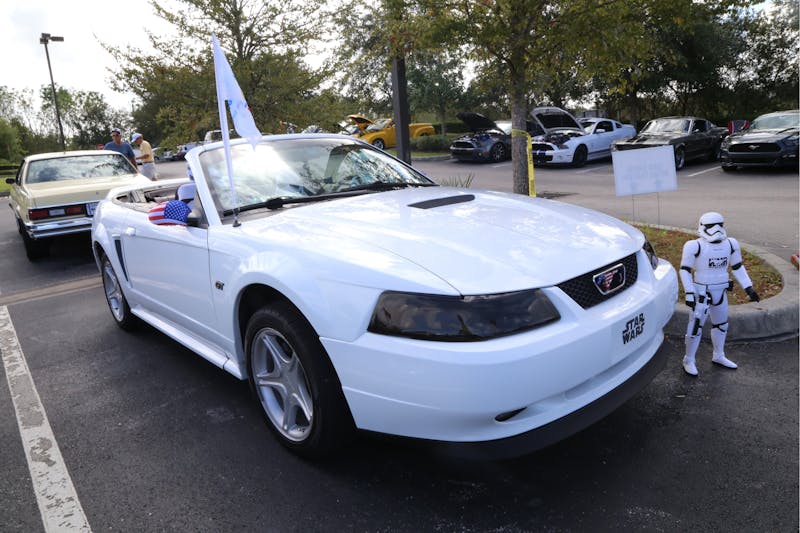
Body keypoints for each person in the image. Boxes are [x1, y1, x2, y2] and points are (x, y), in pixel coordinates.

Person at [679, 212, 760, 376]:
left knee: (721, 325)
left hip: (721, 291)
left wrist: (748, 287)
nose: (716, 229)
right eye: (710, 226)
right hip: (702, 292)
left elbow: (737, 267)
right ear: (702, 227)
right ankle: (689, 359)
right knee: (695, 326)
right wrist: (689, 292)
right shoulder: (694, 245)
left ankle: (719, 355)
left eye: (719, 225)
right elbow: (685, 270)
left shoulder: (730, 244)